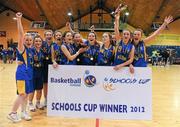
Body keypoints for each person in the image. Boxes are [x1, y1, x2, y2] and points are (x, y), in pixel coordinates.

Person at [7, 12, 33, 122]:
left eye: (30, 40)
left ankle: (23, 112)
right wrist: (19, 19)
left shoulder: (30, 50)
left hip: (28, 74)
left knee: (26, 95)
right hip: (21, 74)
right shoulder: (21, 49)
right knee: (22, 94)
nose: (28, 41)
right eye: (26, 39)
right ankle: (12, 113)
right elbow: (21, 34)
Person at [113, 4, 135, 71]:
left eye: (127, 34)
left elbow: (131, 59)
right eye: (124, 34)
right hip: (115, 66)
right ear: (122, 35)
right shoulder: (119, 40)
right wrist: (117, 17)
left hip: (125, 68)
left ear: (130, 36)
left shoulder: (132, 46)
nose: (125, 35)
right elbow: (116, 28)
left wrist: (121, 66)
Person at [28, 35, 44, 111]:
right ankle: (30, 103)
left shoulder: (42, 51)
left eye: (40, 41)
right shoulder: (30, 50)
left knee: (39, 89)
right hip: (32, 72)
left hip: (40, 72)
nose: (38, 42)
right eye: (36, 41)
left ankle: (38, 103)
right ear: (33, 42)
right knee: (32, 89)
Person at [42, 30, 53, 107]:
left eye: (50, 34)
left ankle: (52, 99)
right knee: (45, 84)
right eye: (47, 34)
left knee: (53, 83)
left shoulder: (55, 44)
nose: (49, 36)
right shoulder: (41, 44)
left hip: (53, 65)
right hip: (44, 65)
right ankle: (46, 99)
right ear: (45, 36)